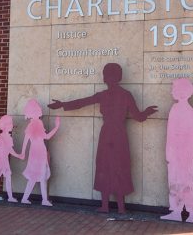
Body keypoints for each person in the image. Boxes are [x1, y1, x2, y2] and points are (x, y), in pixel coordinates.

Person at [48, 63, 158, 213]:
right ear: (119, 77)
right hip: (119, 134)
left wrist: (62, 104)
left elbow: (82, 102)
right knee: (119, 167)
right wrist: (147, 112)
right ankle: (120, 207)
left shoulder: (104, 95)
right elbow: (138, 117)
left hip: (107, 134)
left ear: (105, 77)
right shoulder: (125, 95)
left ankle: (106, 206)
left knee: (105, 167)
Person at [161, 78, 193, 223]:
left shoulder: (183, 111)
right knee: (177, 181)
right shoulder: (181, 110)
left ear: (180, 92)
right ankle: (177, 211)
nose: (171, 91)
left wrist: (187, 149)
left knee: (185, 182)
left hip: (181, 154)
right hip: (176, 153)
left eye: (173, 88)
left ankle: (190, 213)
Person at [20, 99, 60, 206]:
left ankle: (27, 198)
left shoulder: (31, 125)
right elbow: (47, 137)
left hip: (34, 152)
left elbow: (26, 140)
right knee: (41, 176)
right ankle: (44, 200)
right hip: (40, 152)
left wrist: (23, 153)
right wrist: (56, 127)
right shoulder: (38, 123)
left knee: (34, 176)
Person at [0, 115, 21, 202]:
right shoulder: (1, 138)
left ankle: (9, 197)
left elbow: (10, 151)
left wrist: (18, 155)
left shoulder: (9, 138)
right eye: (10, 124)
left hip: (3, 161)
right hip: (1, 161)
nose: (12, 126)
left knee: (2, 177)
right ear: (5, 126)